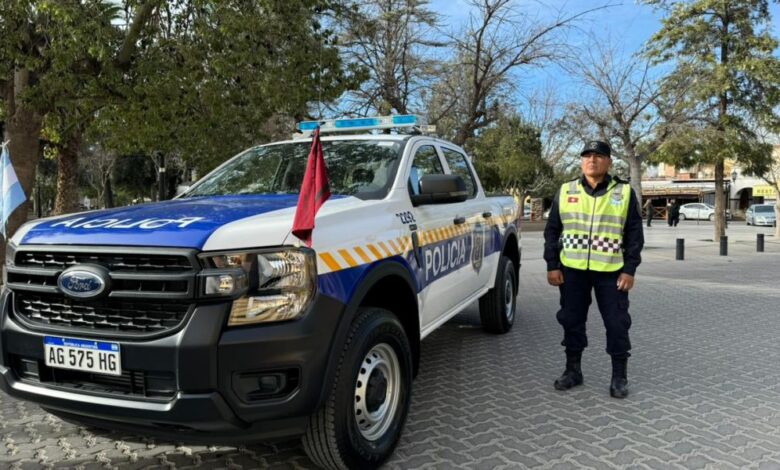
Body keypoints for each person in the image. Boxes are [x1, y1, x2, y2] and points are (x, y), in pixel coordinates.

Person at [543, 140, 644, 399]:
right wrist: (552, 265)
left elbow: (634, 234)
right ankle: (573, 370)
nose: (592, 160)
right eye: (587, 155)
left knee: (617, 323)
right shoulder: (566, 191)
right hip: (572, 270)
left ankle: (619, 376)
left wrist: (629, 269)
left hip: (611, 271)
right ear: (581, 161)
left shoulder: (623, 192)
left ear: (609, 161)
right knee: (571, 320)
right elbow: (552, 230)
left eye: (598, 156)